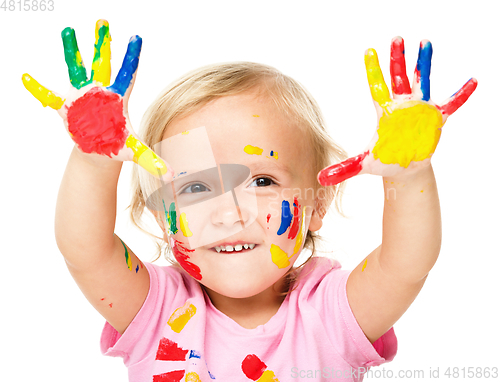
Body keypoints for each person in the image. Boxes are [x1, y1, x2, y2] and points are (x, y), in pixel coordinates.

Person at [22, 20, 476, 382]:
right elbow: (85, 249)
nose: (229, 212)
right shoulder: (156, 310)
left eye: (261, 180)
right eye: (196, 187)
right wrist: (94, 158)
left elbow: (406, 263)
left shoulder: (332, 314)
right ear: (162, 217)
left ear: (317, 203)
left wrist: (411, 173)